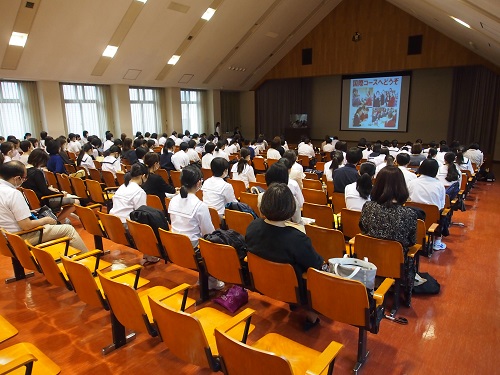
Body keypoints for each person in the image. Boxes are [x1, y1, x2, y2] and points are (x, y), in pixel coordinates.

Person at [245, 183, 324, 330]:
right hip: (293, 289)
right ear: (291, 208)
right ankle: (312, 316)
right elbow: (316, 264)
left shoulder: (252, 226)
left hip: (262, 281)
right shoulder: (297, 239)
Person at [0, 161, 88, 252]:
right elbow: (26, 225)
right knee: (68, 229)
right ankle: (87, 261)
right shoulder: (13, 194)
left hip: (4, 237)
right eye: (24, 178)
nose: (24, 181)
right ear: (17, 178)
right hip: (20, 236)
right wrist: (45, 220)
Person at [168, 165, 223, 290]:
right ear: (199, 183)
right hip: (193, 249)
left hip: (174, 243)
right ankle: (212, 282)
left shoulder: (173, 200)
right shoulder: (200, 206)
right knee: (217, 243)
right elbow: (209, 233)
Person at [360, 166, 417, 258]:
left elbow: (363, 229)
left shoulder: (367, 206)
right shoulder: (409, 213)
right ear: (402, 186)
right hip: (396, 262)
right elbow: (412, 241)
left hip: (370, 260)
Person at [22, 149, 79, 222]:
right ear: (40, 160)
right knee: (76, 201)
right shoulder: (37, 172)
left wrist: (49, 188)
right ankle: (56, 220)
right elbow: (45, 192)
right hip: (44, 200)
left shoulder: (25, 170)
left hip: (34, 200)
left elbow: (37, 187)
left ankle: (59, 219)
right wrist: (60, 194)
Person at [408, 159, 447, 250]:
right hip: (432, 219)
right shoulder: (439, 185)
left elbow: (407, 199)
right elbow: (441, 205)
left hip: (413, 217)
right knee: (443, 213)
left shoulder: (412, 183)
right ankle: (437, 242)